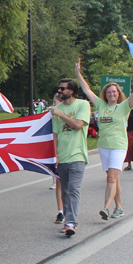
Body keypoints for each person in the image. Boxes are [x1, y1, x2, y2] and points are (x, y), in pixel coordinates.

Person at [75, 58, 133, 220]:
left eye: (114, 91)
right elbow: (87, 90)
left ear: (118, 93)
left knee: (111, 178)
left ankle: (106, 208)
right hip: (104, 146)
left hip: (118, 146)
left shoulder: (124, 106)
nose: (112, 93)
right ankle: (119, 207)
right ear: (105, 94)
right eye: (109, 92)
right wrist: (78, 73)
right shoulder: (100, 105)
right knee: (114, 178)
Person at [50, 79, 90, 236]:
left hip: (77, 155)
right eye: (59, 88)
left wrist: (60, 114)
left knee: (73, 189)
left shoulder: (82, 105)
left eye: (62, 88)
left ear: (71, 91)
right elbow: (55, 135)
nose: (59, 90)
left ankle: (70, 222)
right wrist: (55, 156)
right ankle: (68, 220)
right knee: (65, 191)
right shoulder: (56, 109)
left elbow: (79, 125)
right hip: (62, 156)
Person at [50, 92, 64, 224]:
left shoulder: (67, 116)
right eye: (53, 102)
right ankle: (60, 211)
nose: (53, 105)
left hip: (70, 153)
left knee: (69, 186)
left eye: (56, 102)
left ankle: (68, 210)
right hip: (58, 153)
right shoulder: (51, 118)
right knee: (59, 183)